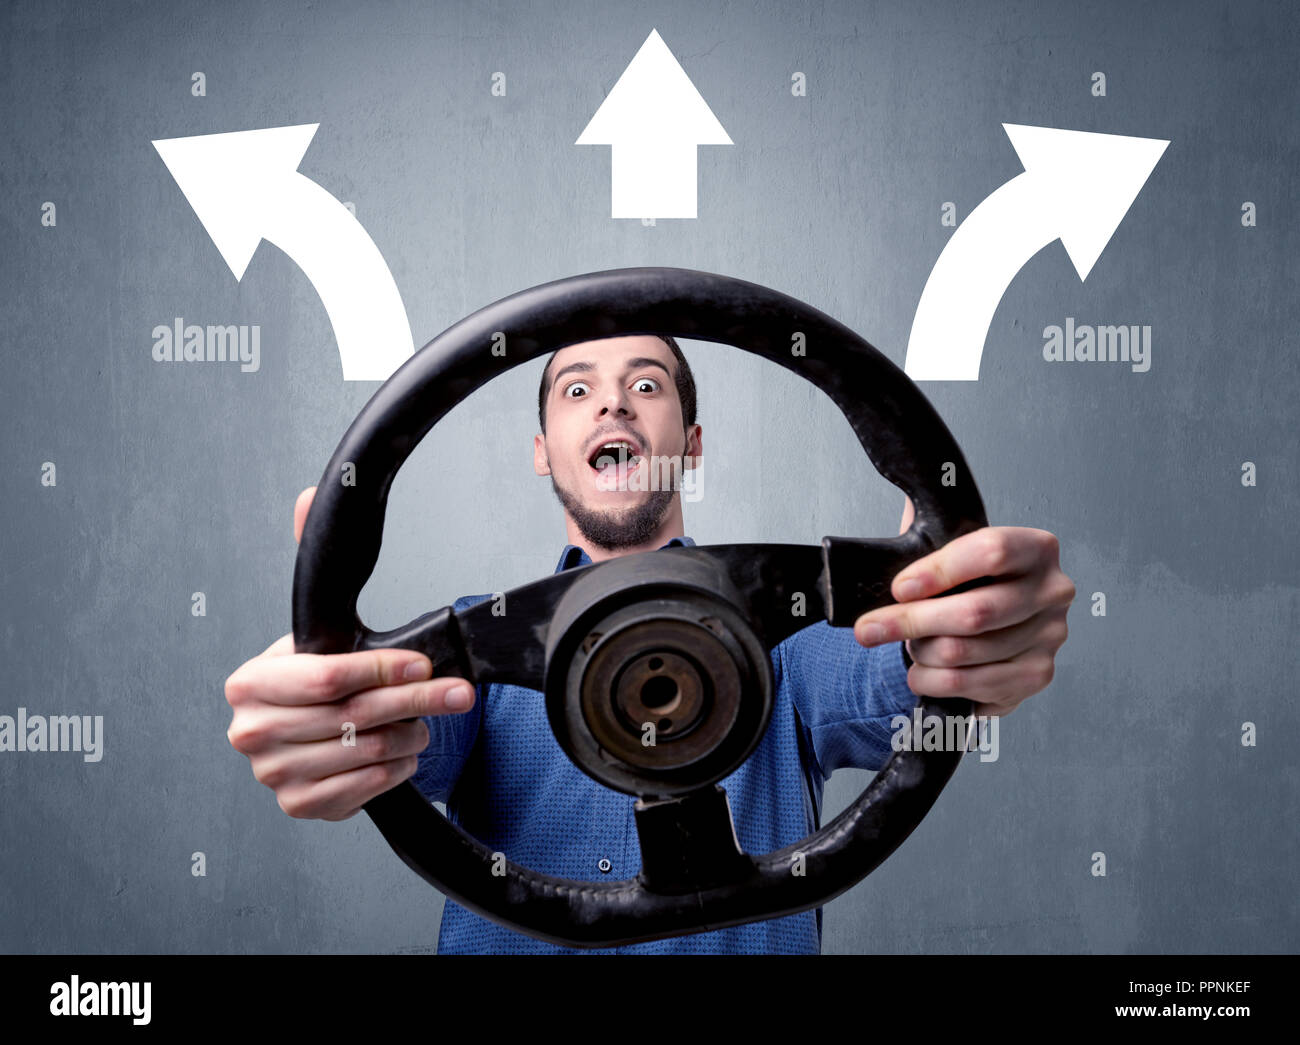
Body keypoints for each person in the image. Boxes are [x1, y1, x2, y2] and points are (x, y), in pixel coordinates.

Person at [225, 334, 1075, 954]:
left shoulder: (787, 649)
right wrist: (334, 717)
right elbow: (393, 724)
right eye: (575, 390)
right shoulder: (468, 655)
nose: (613, 402)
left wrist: (956, 635)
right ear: (543, 453)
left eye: (646, 383)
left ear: (690, 448)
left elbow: (894, 672)